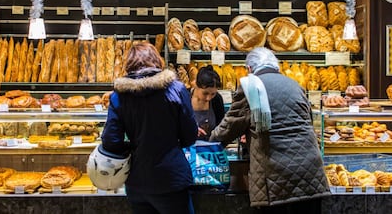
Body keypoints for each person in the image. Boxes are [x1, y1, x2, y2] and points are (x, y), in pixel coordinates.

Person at [209, 47, 330, 213]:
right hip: (311, 172)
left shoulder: (250, 87)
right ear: (276, 66)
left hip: (275, 176)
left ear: (249, 69)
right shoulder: (295, 85)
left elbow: (229, 128)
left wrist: (206, 144)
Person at [101, 42, 198, 214]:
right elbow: (190, 136)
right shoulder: (176, 89)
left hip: (137, 182)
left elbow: (111, 141)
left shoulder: (119, 96)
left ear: (129, 65)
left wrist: (134, 147)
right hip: (172, 178)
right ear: (157, 61)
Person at [190, 65, 225, 141]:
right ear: (196, 85)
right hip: (188, 148)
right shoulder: (185, 98)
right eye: (205, 93)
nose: (208, 98)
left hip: (211, 148)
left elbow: (221, 126)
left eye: (213, 94)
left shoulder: (217, 100)